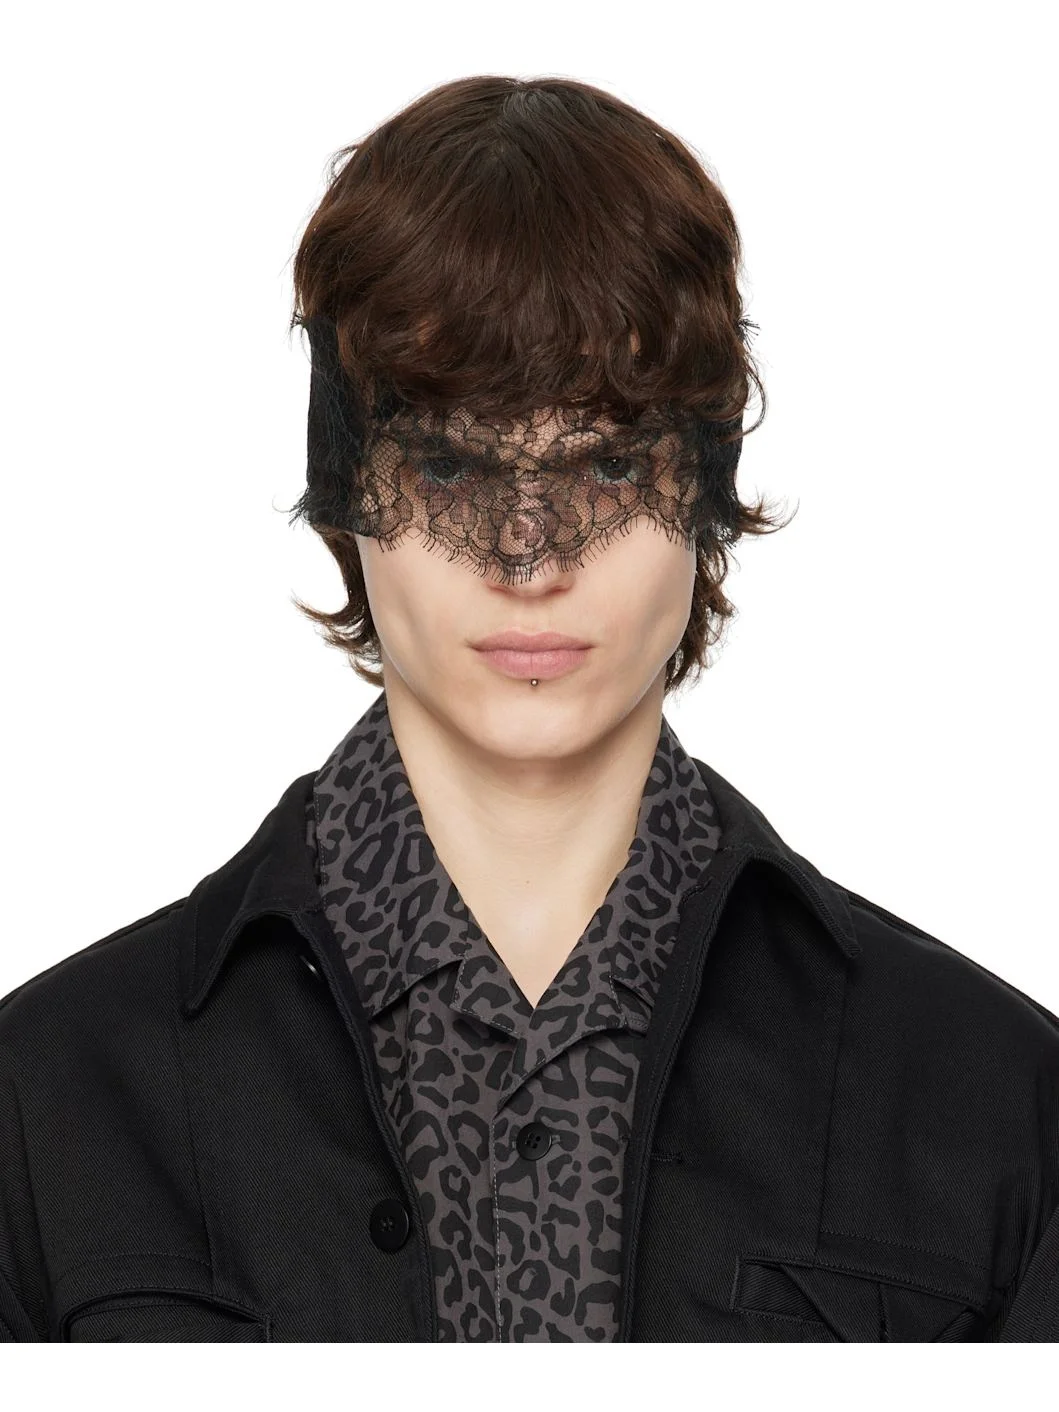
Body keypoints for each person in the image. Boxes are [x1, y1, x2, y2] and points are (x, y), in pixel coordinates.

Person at [2, 75, 1057, 1344]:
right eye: (450, 465)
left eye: (607, 465)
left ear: (704, 489)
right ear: (346, 489)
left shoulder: (996, 1101)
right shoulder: (46, 1100)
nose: (528, 554)